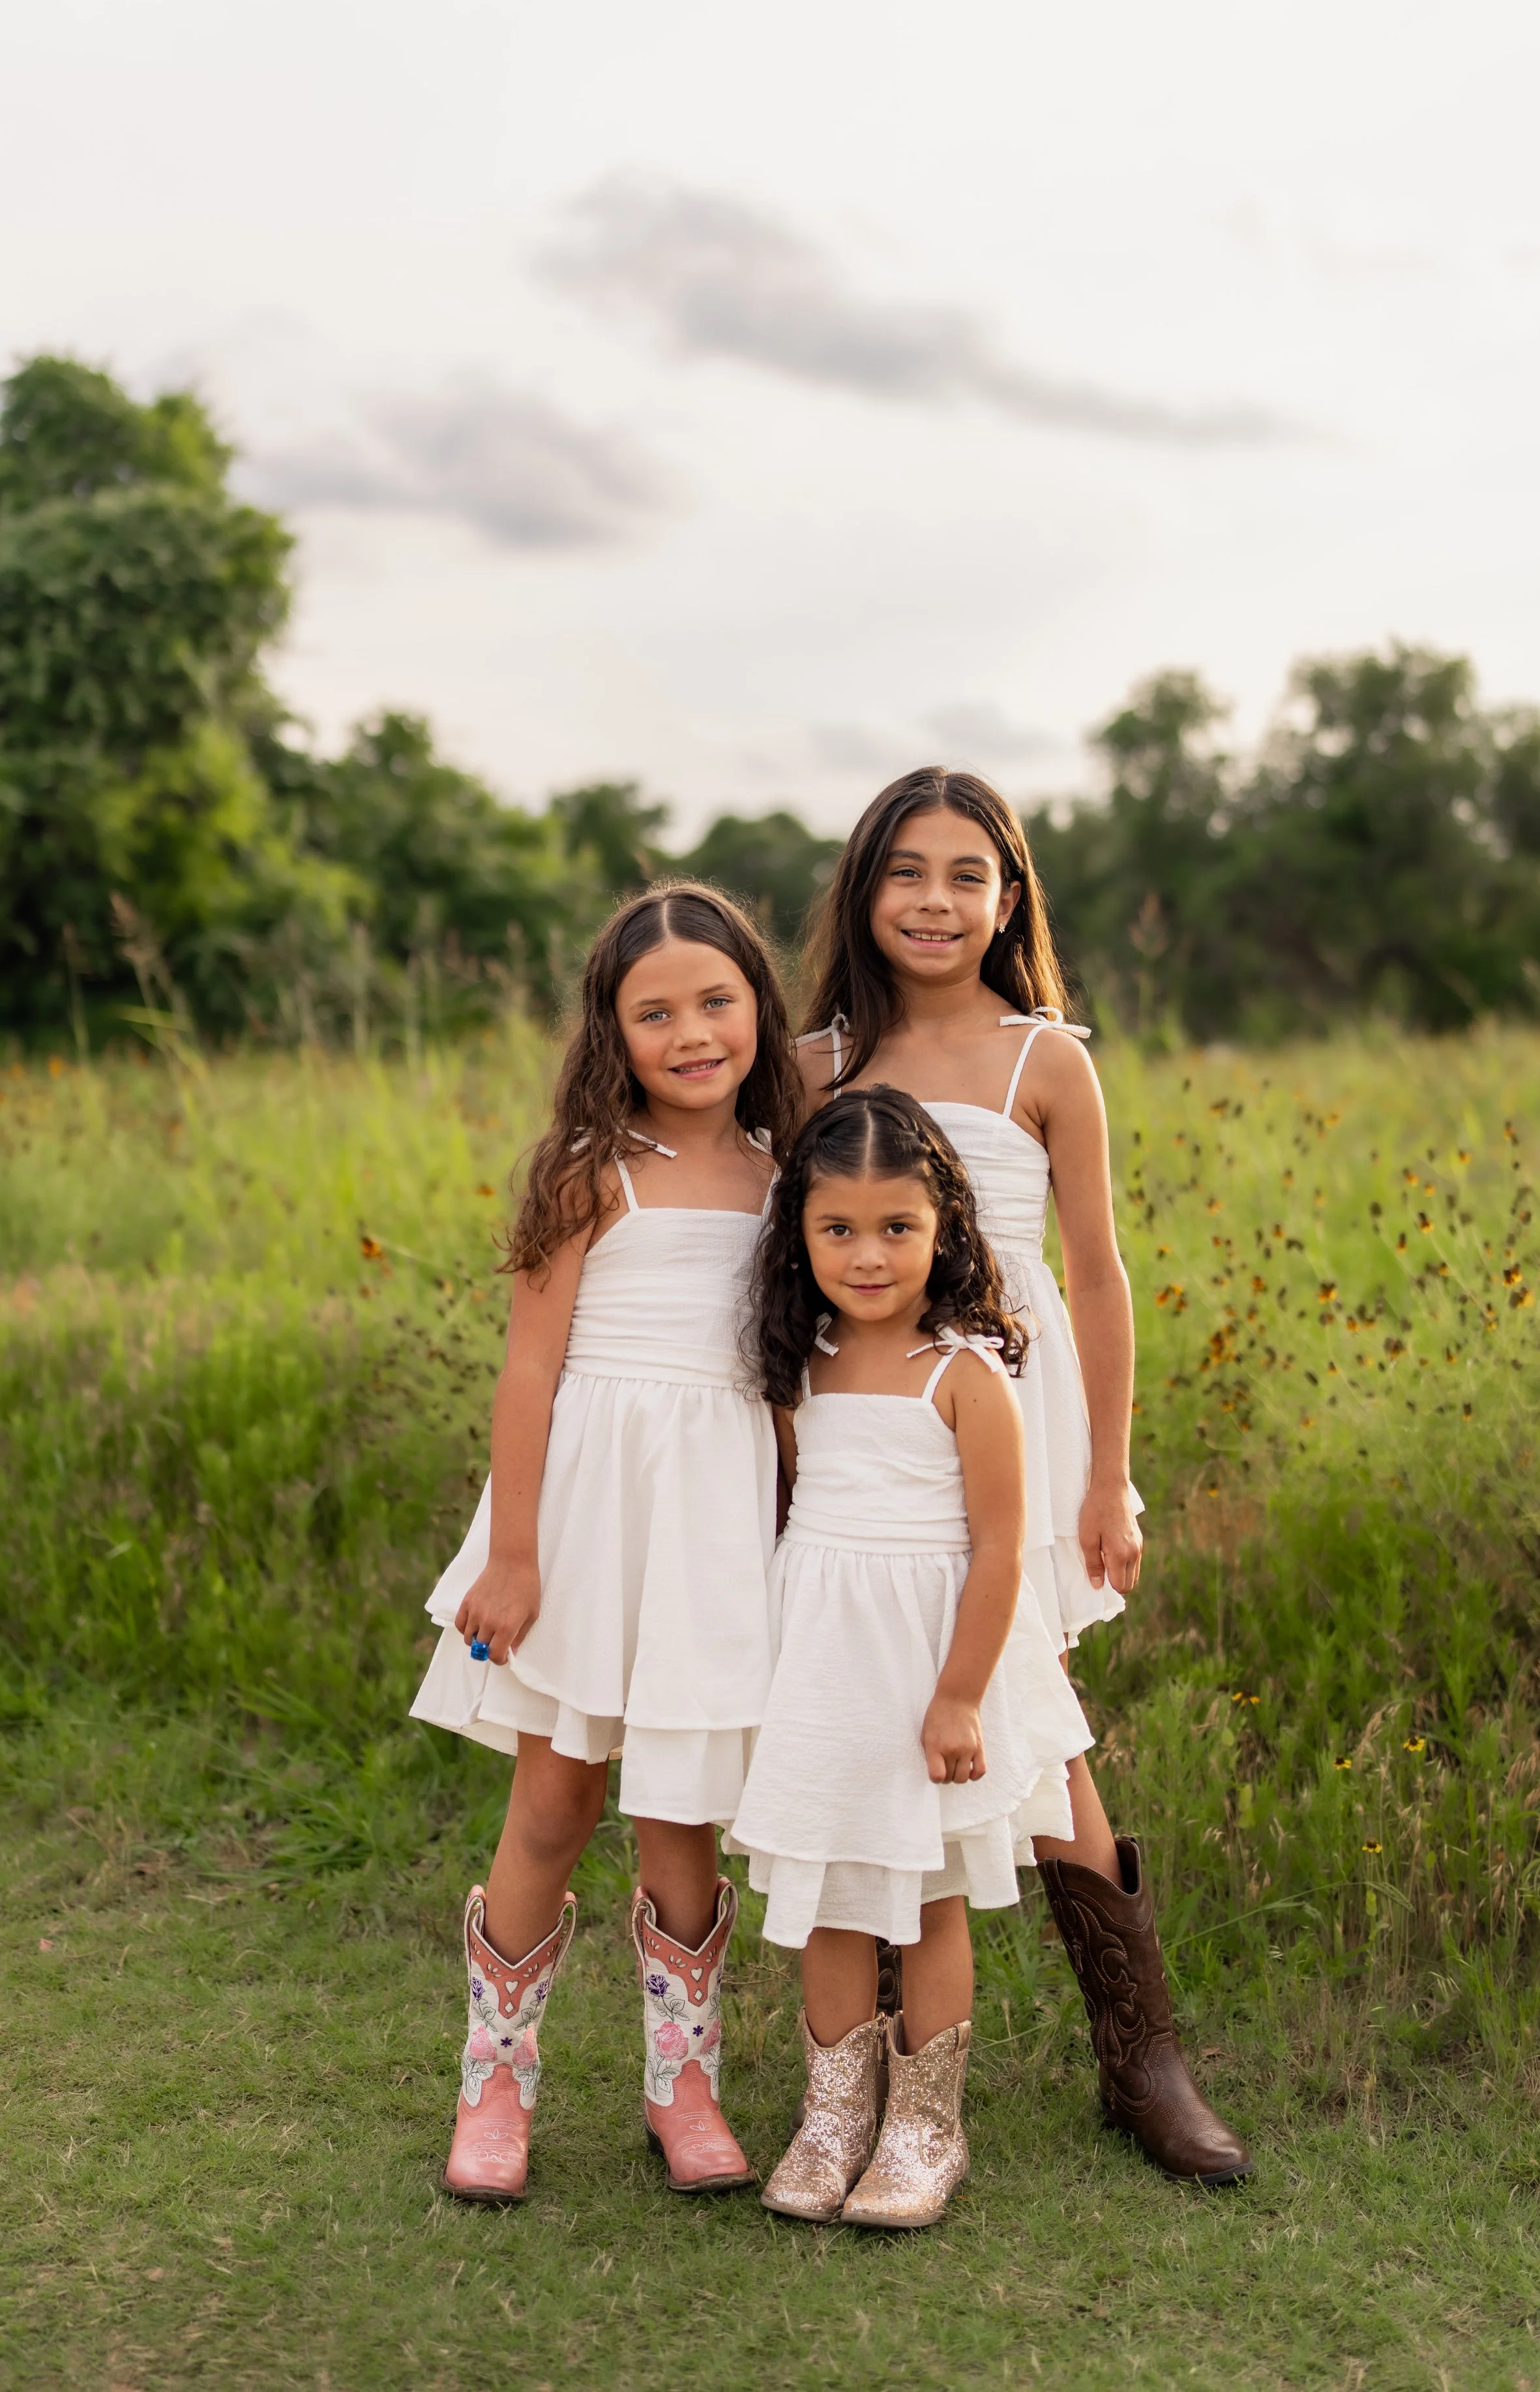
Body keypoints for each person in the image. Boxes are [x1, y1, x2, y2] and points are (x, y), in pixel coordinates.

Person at [797, 769, 1251, 2185]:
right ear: (865, 890)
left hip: (1013, 1411)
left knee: (1026, 1710)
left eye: (967, 876)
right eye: (907, 873)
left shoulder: (1042, 1058)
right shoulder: (813, 1064)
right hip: (867, 1427)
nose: (936, 903)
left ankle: (1142, 2057)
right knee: (876, 1703)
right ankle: (868, 2067)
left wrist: (1106, 1476)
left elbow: (1099, 1277)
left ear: (1008, 900)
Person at [411, 883, 800, 2204]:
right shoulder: (589, 1170)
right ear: (611, 1031)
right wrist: (510, 1556)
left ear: (758, 1007)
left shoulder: (786, 1171)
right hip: (584, 1508)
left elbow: (793, 1374)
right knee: (556, 1797)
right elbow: (529, 1370)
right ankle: (494, 2084)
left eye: (714, 1002)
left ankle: (679, 2083)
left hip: (713, 1514)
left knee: (680, 1805)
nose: (691, 1032)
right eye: (655, 1013)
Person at [730, 1086, 1091, 2228]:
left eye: (898, 1228)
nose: (869, 1254)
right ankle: (834, 2111)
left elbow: (997, 1554)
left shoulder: (968, 1375)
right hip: (828, 1665)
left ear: (946, 1230)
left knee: (931, 1897)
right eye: (839, 1229)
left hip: (933, 1662)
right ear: (801, 1233)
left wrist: (959, 1696)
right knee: (835, 1893)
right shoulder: (808, 1363)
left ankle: (926, 2123)